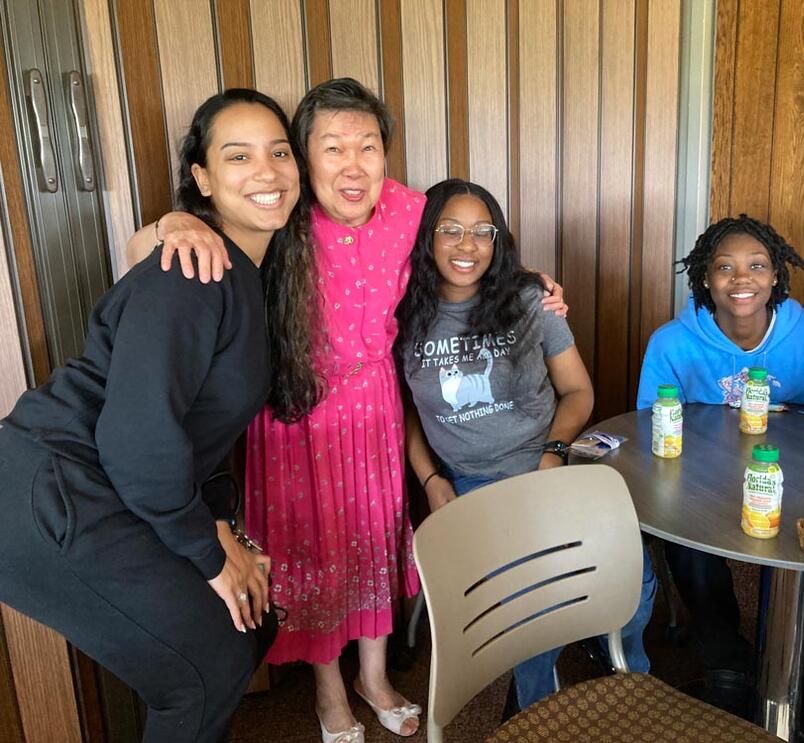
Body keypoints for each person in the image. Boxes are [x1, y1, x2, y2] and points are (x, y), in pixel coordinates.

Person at [127, 79, 565, 742]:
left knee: (373, 544)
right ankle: (329, 689)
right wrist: (175, 222)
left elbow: (469, 247)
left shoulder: (409, 210)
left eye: (367, 147)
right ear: (305, 160)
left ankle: (374, 677)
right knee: (308, 554)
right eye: (332, 148)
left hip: (375, 412)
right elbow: (140, 253)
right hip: (292, 416)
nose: (352, 165)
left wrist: (535, 284)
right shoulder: (278, 214)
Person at [0, 88, 302, 742]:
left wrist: (219, 527)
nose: (267, 171)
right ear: (203, 178)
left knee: (244, 626)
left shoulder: (241, 273)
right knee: (207, 666)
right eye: (239, 155)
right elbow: (137, 440)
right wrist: (210, 553)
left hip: (107, 484)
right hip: (52, 491)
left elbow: (199, 431)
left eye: (279, 153)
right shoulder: (192, 270)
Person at [398, 178, 656, 711]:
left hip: (551, 463)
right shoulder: (401, 316)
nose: (467, 245)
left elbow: (578, 391)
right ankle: (533, 707)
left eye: (482, 232)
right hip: (474, 480)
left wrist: (554, 453)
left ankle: (626, 669)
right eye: (450, 230)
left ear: (498, 241)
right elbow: (406, 415)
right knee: (530, 595)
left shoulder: (528, 300)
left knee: (634, 571)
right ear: (426, 237)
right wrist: (431, 480)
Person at [637, 215, 804, 742]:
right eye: (724, 267)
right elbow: (651, 423)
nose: (741, 279)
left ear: (775, 275)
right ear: (704, 277)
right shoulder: (672, 343)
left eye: (756, 266)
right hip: (704, 483)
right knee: (687, 544)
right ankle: (726, 661)